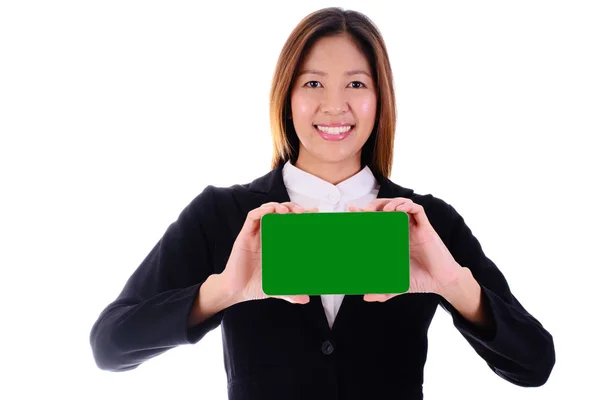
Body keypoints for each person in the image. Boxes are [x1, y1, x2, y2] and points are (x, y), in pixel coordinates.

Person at [89, 7, 555, 399]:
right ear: (287, 97)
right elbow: (110, 346)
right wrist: (224, 291)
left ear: (381, 98)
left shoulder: (426, 223)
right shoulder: (223, 216)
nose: (335, 106)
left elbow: (535, 364)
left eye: (356, 84)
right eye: (313, 84)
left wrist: (453, 283)